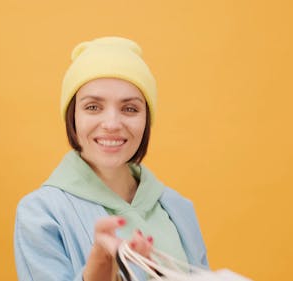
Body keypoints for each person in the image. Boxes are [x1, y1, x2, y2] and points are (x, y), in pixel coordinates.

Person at [14, 36, 208, 281]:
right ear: (72, 116)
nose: (112, 124)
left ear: (146, 119)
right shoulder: (40, 214)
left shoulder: (178, 208)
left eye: (130, 109)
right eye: (93, 107)